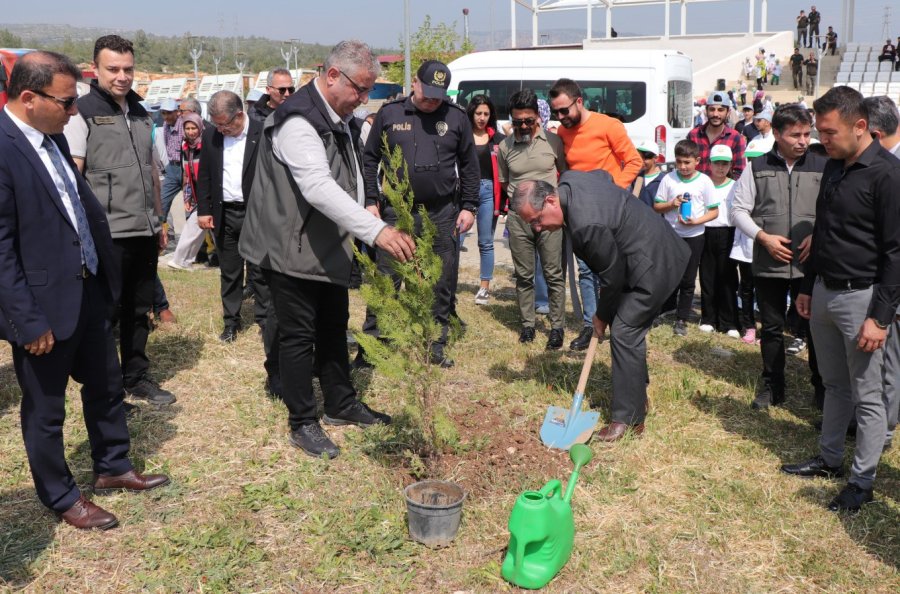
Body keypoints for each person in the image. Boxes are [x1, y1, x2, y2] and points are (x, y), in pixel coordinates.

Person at [0, 50, 170, 530]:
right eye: (66, 102)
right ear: (29, 98)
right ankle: (59, 495)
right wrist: (26, 320)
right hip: (43, 307)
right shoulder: (4, 147)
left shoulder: (49, 138)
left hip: (88, 291)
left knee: (107, 386)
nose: (74, 112)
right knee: (46, 409)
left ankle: (113, 466)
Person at [239, 40, 415, 458]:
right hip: (293, 247)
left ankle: (341, 403)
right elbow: (317, 186)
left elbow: (351, 173)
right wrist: (376, 231)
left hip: (328, 244)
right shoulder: (298, 120)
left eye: (369, 90)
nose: (364, 98)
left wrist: (365, 207)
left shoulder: (339, 116)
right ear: (333, 75)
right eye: (360, 88)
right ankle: (302, 421)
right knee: (298, 336)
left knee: (335, 326)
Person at [783, 86, 900, 512]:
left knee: (868, 396)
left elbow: (895, 252)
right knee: (834, 384)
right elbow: (824, 231)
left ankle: (862, 481)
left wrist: (880, 317)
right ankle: (830, 458)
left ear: (861, 126)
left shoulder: (887, 175)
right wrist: (807, 286)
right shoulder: (835, 166)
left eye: (830, 133)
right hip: (826, 292)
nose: (822, 140)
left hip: (862, 300)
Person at [511, 172, 690, 441]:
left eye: (537, 220)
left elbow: (613, 278)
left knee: (625, 330)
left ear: (550, 200)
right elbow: (604, 176)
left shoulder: (586, 226)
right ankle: (637, 398)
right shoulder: (571, 181)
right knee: (627, 330)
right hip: (645, 249)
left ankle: (628, 421)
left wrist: (601, 316)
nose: (537, 228)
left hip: (654, 262)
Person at [64, 35, 175, 406]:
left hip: (144, 227)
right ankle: (107, 389)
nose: (122, 76)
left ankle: (137, 376)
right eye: (113, 69)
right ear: (95, 69)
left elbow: (152, 172)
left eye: (128, 69)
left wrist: (159, 220)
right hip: (106, 233)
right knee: (105, 315)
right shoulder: (81, 112)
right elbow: (75, 175)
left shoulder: (142, 113)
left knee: (139, 308)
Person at [358, 59, 480, 368]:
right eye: (427, 93)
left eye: (438, 95)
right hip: (395, 213)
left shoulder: (456, 117)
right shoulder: (390, 113)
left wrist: (469, 206)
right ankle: (376, 345)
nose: (432, 100)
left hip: (442, 213)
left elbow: (469, 165)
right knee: (387, 278)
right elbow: (370, 158)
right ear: (414, 83)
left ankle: (435, 343)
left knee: (441, 279)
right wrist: (371, 199)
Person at [730, 104, 825, 410]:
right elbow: (738, 210)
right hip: (769, 262)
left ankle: (822, 389)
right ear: (778, 134)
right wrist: (763, 238)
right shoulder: (756, 166)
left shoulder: (823, 164)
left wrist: (819, 234)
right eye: (795, 134)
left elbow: (834, 208)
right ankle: (773, 386)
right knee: (771, 328)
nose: (802, 140)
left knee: (815, 329)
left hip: (810, 265)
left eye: (806, 134)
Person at [195, 90, 281, 397]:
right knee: (229, 270)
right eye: (216, 125)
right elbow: (204, 173)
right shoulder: (211, 136)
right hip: (224, 213)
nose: (221, 130)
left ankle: (263, 321)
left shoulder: (262, 133)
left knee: (259, 271)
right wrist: (204, 210)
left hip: (255, 214)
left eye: (225, 125)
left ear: (240, 115)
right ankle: (231, 322)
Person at [548, 77, 643, 352]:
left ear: (579, 101)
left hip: (610, 213)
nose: (561, 117)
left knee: (613, 270)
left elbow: (634, 161)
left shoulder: (608, 125)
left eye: (565, 110)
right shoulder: (563, 133)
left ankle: (621, 323)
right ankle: (591, 324)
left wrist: (615, 191)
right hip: (580, 214)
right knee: (586, 270)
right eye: (556, 112)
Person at [497, 89, 568, 349]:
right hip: (519, 219)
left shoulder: (553, 142)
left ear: (538, 117)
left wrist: (553, 207)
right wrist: (523, 206)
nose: (524, 126)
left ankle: (557, 327)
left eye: (528, 121)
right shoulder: (505, 147)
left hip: (549, 219)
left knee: (553, 274)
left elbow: (565, 175)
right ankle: (528, 325)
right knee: (524, 275)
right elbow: (505, 182)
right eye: (518, 122)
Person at [862, 95, 900, 451]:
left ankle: (882, 433)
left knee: (889, 365)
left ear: (872, 133)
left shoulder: (890, 168)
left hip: (892, 286)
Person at [654, 139, 719, 336]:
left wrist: (696, 221)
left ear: (697, 161)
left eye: (687, 162)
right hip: (671, 235)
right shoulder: (668, 179)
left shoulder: (704, 181)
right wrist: (672, 204)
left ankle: (682, 318)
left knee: (688, 279)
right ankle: (665, 309)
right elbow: (657, 206)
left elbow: (714, 211)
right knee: (667, 274)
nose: (682, 167)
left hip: (694, 236)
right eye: (679, 162)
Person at [467, 94, 505, 306]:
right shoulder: (462, 135)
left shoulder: (497, 139)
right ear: (471, 113)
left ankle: (484, 287)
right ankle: (448, 282)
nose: (482, 117)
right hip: (464, 190)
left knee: (486, 241)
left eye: (486, 114)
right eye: (478, 113)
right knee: (455, 238)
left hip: (489, 191)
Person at [698, 145, 740, 338]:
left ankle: (729, 321)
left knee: (728, 278)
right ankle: (708, 318)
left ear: (730, 165)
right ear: (709, 164)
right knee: (707, 277)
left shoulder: (735, 185)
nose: (721, 168)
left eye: (725, 164)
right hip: (705, 231)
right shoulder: (703, 184)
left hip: (728, 233)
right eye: (717, 163)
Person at [167, 113, 205, 270]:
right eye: (187, 128)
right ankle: (182, 260)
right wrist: (187, 197)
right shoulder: (185, 147)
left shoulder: (207, 146)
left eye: (194, 128)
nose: (191, 132)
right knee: (195, 226)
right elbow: (187, 175)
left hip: (211, 194)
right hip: (199, 195)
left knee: (196, 226)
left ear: (200, 127)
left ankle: (182, 260)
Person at [687, 91, 747, 179]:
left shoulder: (736, 138)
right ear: (706, 111)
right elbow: (685, 164)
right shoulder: (693, 135)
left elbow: (740, 172)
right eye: (712, 109)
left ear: (728, 112)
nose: (715, 114)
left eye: (720, 110)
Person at [633, 139, 663, 209]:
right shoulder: (636, 177)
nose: (641, 161)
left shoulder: (663, 180)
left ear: (655, 158)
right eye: (639, 157)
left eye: (645, 158)